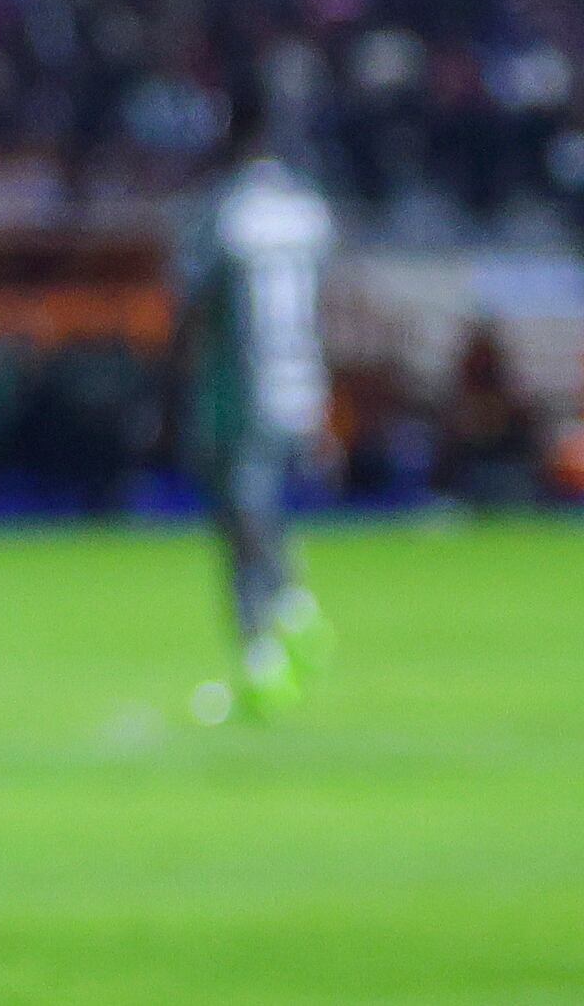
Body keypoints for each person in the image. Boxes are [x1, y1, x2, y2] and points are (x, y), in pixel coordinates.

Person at [172, 122, 338, 719]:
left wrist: (177, 385)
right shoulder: (308, 209)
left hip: (236, 387)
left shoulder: (222, 212)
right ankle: (292, 610)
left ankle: (268, 652)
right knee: (258, 505)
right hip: (298, 376)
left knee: (238, 513)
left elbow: (193, 302)